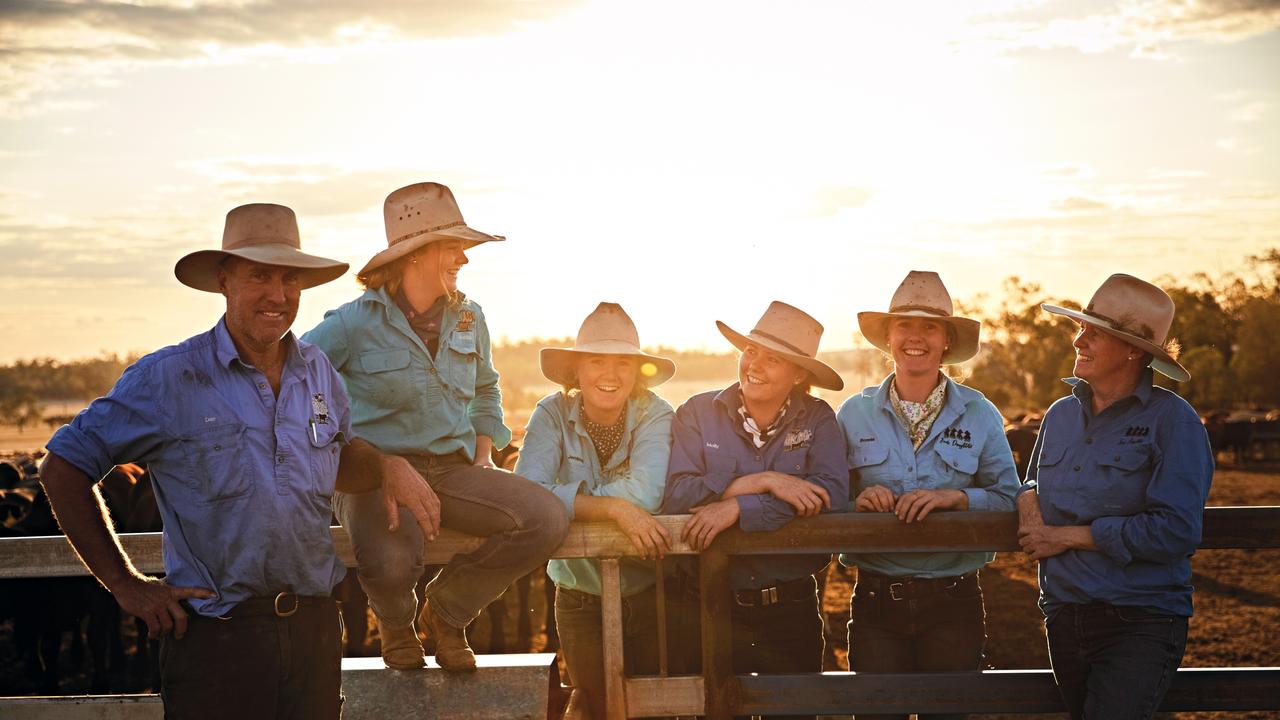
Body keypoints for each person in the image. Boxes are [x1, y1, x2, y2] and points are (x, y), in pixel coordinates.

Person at [38, 203, 428, 719]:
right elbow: (62, 465)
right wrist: (127, 585)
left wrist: (385, 465)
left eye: (290, 278)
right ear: (224, 281)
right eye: (259, 275)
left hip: (312, 627)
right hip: (217, 638)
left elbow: (337, 457)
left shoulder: (319, 373)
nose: (277, 294)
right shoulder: (170, 378)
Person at [303, 181, 570, 672]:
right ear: (416, 255)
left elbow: (487, 388)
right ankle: (398, 624)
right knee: (391, 561)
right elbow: (298, 382)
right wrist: (341, 448)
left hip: (451, 469)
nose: (464, 260)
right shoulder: (350, 324)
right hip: (374, 475)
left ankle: (446, 612)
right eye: (453, 247)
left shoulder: (470, 316)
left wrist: (485, 454)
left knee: (546, 518)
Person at [1018, 274, 1214, 720]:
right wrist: (1028, 507)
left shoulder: (1174, 422)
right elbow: (1030, 482)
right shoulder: (1060, 414)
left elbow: (1176, 530)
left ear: (1133, 350)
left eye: (1095, 333)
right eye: (1080, 329)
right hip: (1064, 615)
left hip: (1140, 619)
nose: (1078, 341)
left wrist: (1066, 537)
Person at [836, 270, 1019, 720]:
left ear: (946, 342)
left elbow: (1009, 497)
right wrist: (857, 503)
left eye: (929, 327)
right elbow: (829, 495)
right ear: (888, 337)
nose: (914, 337)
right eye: (904, 326)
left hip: (953, 601)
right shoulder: (853, 414)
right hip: (877, 600)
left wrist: (957, 499)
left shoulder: (980, 413)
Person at [661, 301, 847, 720]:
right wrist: (766, 482)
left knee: (795, 713)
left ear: (799, 374)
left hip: (790, 607)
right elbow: (677, 495)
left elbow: (830, 493)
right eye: (751, 352)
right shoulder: (697, 413)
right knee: (714, 712)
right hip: (709, 603)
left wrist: (738, 508)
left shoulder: (817, 419)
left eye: (774, 359)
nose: (755, 365)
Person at [514, 302, 677, 719]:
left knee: (655, 708)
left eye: (623, 362)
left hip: (648, 592)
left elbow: (647, 491)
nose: (610, 374)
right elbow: (530, 493)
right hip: (579, 595)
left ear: (638, 370)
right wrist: (613, 509)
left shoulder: (655, 413)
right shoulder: (551, 413)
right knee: (595, 704)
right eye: (597, 360)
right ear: (577, 371)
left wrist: (573, 501)